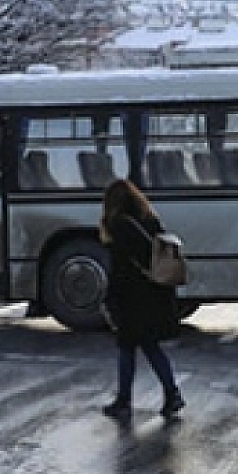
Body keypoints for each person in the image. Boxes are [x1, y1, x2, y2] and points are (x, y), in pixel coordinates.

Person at [99, 178, 185, 419]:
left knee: (126, 348)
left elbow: (120, 268)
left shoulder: (119, 225)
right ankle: (172, 394)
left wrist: (109, 299)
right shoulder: (151, 219)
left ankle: (124, 401)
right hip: (155, 293)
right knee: (150, 347)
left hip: (132, 298)